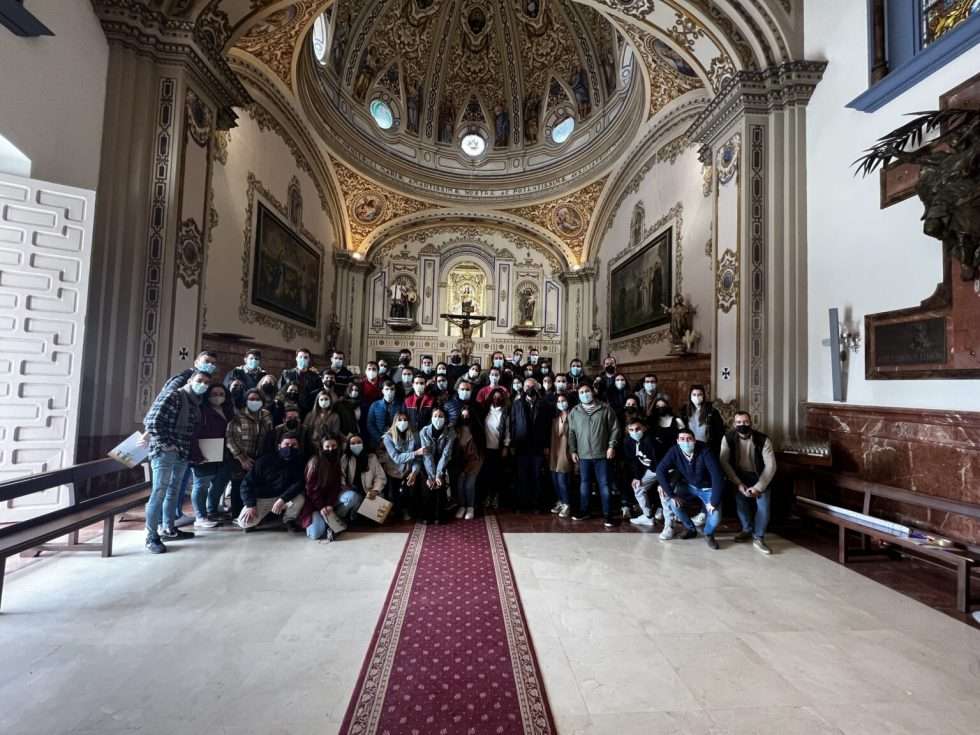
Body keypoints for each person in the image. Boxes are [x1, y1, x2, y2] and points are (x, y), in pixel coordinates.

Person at [142, 369, 210, 553]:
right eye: (200, 380)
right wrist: (167, 444)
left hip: (182, 451)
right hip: (164, 451)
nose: (202, 384)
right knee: (159, 491)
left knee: (174, 490)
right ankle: (151, 536)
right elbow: (151, 422)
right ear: (190, 380)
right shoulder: (173, 395)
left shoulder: (195, 402)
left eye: (206, 383)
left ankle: (169, 528)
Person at [655, 428, 726, 549]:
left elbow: (717, 476)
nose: (686, 442)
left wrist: (713, 502)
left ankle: (708, 534)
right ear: (677, 441)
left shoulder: (705, 450)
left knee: (715, 516)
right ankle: (690, 529)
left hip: (708, 489)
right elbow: (660, 471)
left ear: (695, 440)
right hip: (689, 486)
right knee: (673, 503)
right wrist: (671, 494)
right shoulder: (674, 451)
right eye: (682, 439)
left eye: (689, 439)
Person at [719, 412, 777, 554]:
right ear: (734, 424)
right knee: (741, 504)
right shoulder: (728, 438)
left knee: (763, 507)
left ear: (751, 422)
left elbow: (771, 466)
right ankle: (747, 530)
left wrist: (758, 488)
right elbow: (723, 461)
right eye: (739, 422)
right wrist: (738, 483)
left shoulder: (763, 439)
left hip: (760, 476)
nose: (742, 425)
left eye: (745, 422)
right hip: (739, 476)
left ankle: (759, 537)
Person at [567, 383, 620, 527]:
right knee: (584, 485)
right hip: (583, 455)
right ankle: (584, 511)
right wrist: (573, 450)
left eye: (587, 391)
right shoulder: (575, 411)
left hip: (602, 454)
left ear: (593, 392)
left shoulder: (605, 409)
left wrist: (611, 446)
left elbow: (615, 429)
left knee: (604, 485)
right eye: (582, 392)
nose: (585, 394)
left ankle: (608, 515)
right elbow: (571, 433)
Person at [237, 434, 306, 531]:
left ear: (298, 447)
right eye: (286, 444)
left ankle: (289, 520)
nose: (290, 447)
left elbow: (299, 484)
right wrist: (250, 505)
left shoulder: (300, 462)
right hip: (263, 498)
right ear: (279, 446)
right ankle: (263, 517)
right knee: (244, 523)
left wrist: (282, 499)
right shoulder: (264, 461)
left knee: (300, 498)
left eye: (293, 445)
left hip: (284, 499)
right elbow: (246, 484)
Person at [189, 383, 232, 528]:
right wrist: (196, 454)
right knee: (201, 485)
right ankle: (200, 516)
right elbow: (193, 432)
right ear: (207, 395)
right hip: (203, 452)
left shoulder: (228, 410)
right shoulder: (201, 410)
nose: (218, 397)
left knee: (219, 484)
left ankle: (212, 510)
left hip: (224, 453)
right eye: (214, 394)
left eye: (221, 394)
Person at [225, 389, 273, 519]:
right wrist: (242, 458)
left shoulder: (267, 415)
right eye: (251, 399)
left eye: (257, 399)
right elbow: (230, 438)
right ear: (246, 400)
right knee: (239, 485)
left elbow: (270, 434)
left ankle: (254, 515)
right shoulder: (237, 416)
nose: (254, 402)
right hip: (240, 457)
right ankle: (237, 515)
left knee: (255, 486)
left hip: (260, 458)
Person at [509, 378, 553, 512]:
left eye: (532, 385)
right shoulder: (516, 403)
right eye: (527, 385)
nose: (530, 388)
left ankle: (536, 504)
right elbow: (512, 424)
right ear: (523, 388)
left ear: (537, 387)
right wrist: (512, 443)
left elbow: (547, 426)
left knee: (537, 476)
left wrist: (546, 445)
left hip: (538, 446)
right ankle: (522, 504)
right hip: (521, 445)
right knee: (522, 476)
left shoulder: (545, 404)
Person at [299, 436, 347, 541]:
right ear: (321, 448)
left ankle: (331, 522)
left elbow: (336, 487)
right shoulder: (315, 462)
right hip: (314, 503)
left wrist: (329, 504)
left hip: (329, 503)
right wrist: (321, 506)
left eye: (334, 446)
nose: (331, 449)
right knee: (316, 534)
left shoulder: (337, 462)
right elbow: (311, 490)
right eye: (327, 446)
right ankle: (326, 524)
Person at [623, 419, 666, 531]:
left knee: (665, 492)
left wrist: (663, 482)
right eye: (631, 430)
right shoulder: (628, 441)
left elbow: (660, 463)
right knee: (638, 487)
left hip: (663, 469)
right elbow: (633, 461)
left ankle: (670, 519)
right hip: (649, 469)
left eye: (638, 429)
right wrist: (637, 477)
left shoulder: (650, 441)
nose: (635, 432)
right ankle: (648, 516)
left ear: (644, 428)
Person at [382, 411, 424, 520]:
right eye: (400, 420)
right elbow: (396, 458)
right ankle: (397, 511)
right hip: (393, 470)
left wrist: (414, 472)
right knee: (393, 496)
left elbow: (418, 459)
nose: (403, 422)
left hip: (409, 470)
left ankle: (410, 511)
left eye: (405, 420)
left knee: (412, 491)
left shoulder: (415, 435)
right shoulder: (388, 437)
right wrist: (415, 453)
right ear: (395, 422)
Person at [418, 409, 454, 524]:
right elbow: (427, 455)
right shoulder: (424, 431)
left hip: (443, 463)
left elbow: (446, 454)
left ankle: (439, 516)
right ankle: (426, 516)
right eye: (435, 416)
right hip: (427, 463)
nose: (438, 419)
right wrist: (431, 475)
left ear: (445, 418)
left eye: (441, 416)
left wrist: (438, 475)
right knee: (428, 485)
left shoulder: (450, 432)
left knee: (440, 485)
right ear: (431, 417)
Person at [451, 397, 484, 520]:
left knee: (469, 485)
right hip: (460, 462)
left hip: (475, 461)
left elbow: (478, 452)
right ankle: (462, 506)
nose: (465, 417)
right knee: (459, 484)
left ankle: (470, 507)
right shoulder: (456, 429)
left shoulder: (477, 430)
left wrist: (468, 468)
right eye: (463, 414)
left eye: (467, 415)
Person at [340, 434, 385, 521]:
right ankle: (348, 515)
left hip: (369, 491)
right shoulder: (345, 458)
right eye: (352, 443)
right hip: (352, 491)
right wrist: (344, 486)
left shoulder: (372, 457)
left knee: (376, 518)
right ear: (349, 445)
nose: (356, 445)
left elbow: (380, 477)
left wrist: (375, 490)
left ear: (363, 443)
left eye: (359, 442)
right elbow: (340, 475)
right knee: (354, 506)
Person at [480, 387, 511, 511]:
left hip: (498, 448)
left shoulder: (505, 412)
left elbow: (508, 430)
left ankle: (496, 497)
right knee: (487, 474)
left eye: (499, 397)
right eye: (494, 397)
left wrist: (506, 446)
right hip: (485, 447)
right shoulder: (485, 411)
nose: (496, 399)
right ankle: (488, 496)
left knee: (497, 474)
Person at [549, 393, 574, 518]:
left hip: (567, 450)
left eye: (563, 400)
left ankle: (567, 504)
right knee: (554, 478)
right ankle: (560, 501)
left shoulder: (573, 416)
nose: (561, 403)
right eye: (559, 401)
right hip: (555, 450)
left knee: (562, 479)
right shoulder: (556, 417)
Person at [681, 384, 725, 455]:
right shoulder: (683, 412)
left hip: (707, 447)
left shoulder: (712, 411)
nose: (697, 397)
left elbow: (720, 432)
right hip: (689, 447)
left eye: (699, 394)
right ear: (690, 396)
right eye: (694, 394)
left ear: (703, 396)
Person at [278, 347, 321, 414]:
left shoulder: (315, 377)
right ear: (296, 358)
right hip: (289, 409)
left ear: (309, 359)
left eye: (305, 357)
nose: (303, 359)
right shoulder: (287, 373)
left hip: (307, 410)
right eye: (300, 357)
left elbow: (317, 394)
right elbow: (280, 391)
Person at [367, 381, 402, 450]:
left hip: (395, 441)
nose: (389, 391)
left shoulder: (400, 405)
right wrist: (380, 439)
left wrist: (394, 438)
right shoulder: (375, 405)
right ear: (382, 391)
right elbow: (370, 424)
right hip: (377, 442)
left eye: (392, 389)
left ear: (395, 391)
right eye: (387, 389)